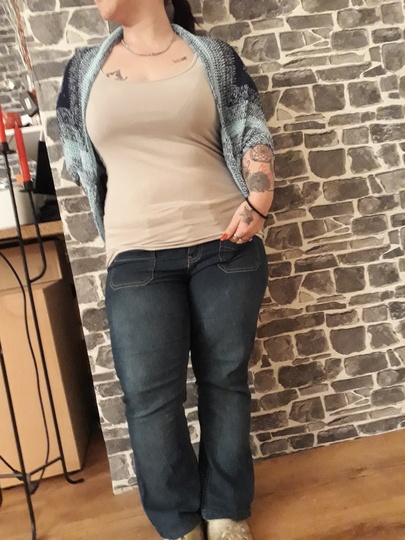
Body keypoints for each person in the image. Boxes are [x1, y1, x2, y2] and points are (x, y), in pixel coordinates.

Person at [57, 1, 274, 539]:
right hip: (136, 255)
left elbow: (252, 132)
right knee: (149, 398)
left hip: (225, 244)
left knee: (224, 382)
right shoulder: (82, 71)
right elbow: (79, 162)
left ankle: (225, 511)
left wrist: (260, 200)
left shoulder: (214, 57)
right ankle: (178, 523)